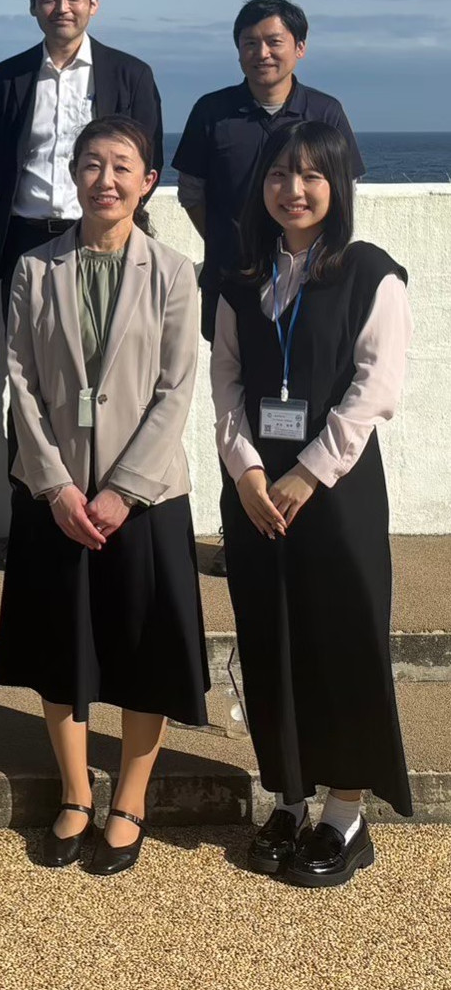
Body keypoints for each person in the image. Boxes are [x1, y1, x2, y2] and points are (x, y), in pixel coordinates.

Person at [0, 116, 207, 876]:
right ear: (72, 175)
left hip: (144, 499)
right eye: (90, 165)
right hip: (56, 499)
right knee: (62, 649)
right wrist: (52, 484)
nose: (105, 179)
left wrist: (122, 490)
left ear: (149, 180)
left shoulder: (175, 271)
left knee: (142, 649)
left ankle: (132, 799)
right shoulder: (34, 268)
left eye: (122, 166)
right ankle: (77, 791)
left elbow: (177, 389)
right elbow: (17, 381)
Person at [213, 120, 412, 887]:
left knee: (342, 640)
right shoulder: (239, 277)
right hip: (257, 493)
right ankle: (288, 795)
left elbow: (376, 388)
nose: (292, 190)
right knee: (272, 640)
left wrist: (310, 472)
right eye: (278, 176)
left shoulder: (370, 273)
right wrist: (248, 472)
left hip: (337, 493)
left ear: (337, 186)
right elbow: (225, 381)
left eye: (310, 176)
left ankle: (344, 812)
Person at [173, 0, 363, 578]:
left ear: (299, 48)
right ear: (237, 50)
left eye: (275, 41)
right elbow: (191, 193)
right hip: (236, 286)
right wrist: (240, 248)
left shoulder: (325, 111)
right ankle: (242, 530)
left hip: (310, 286)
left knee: (311, 395)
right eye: (250, 42)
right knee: (239, 399)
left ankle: (305, 519)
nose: (262, 52)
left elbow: (343, 193)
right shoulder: (212, 111)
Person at [0, 0, 163, 318]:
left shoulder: (131, 74)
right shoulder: (7, 77)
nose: (62, 7)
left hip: (105, 235)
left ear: (93, 5)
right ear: (33, 7)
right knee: (27, 357)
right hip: (25, 239)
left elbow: (148, 156)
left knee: (104, 351)